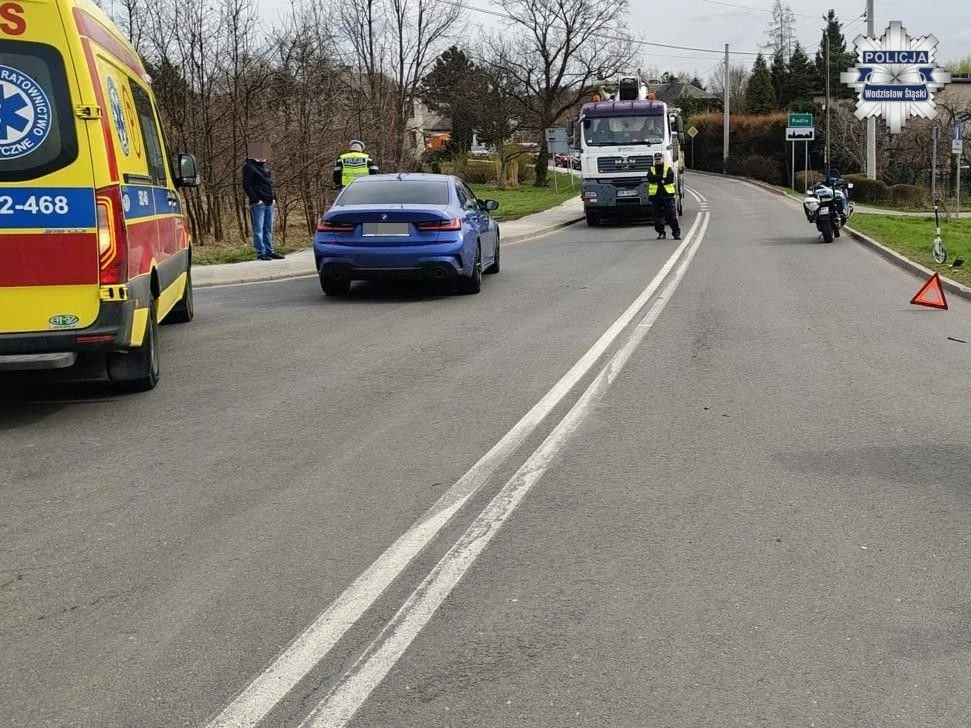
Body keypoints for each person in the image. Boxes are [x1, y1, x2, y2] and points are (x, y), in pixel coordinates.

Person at [242, 143, 284, 260]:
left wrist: (274, 198)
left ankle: (270, 250)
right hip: (258, 203)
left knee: (268, 228)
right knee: (258, 229)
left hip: (269, 202)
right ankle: (261, 253)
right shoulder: (249, 167)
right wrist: (256, 199)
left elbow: (269, 184)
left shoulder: (265, 167)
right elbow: (247, 185)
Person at [646, 151, 680, 240]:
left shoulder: (668, 168)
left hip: (667, 195)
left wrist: (658, 179)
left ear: (662, 159)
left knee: (671, 215)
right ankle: (661, 233)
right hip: (655, 196)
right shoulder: (651, 169)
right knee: (657, 216)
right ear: (654, 160)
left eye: (659, 159)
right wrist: (661, 179)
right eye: (656, 159)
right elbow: (650, 179)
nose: (658, 161)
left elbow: (670, 179)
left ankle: (676, 233)